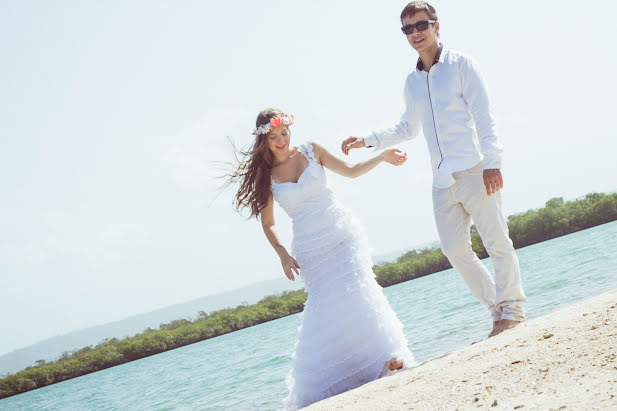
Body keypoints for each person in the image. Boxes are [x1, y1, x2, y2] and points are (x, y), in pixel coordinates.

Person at [341, 1, 526, 338]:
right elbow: (407, 128)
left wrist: (493, 161)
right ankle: (496, 308)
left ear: (436, 26)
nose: (415, 33)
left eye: (421, 25)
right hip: (441, 179)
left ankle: (512, 310)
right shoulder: (412, 82)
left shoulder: (462, 65)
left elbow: (485, 115)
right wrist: (368, 139)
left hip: (474, 168)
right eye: (408, 29)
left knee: (497, 241)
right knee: (453, 249)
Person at [228, 108, 415, 410]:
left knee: (360, 290)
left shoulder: (312, 151)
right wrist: (282, 254)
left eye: (284, 133)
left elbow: (351, 171)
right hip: (310, 249)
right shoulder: (267, 177)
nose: (281, 140)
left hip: (342, 233)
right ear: (264, 140)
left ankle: (387, 357)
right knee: (327, 308)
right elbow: (268, 223)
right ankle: (344, 372)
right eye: (273, 136)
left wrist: (381, 157)